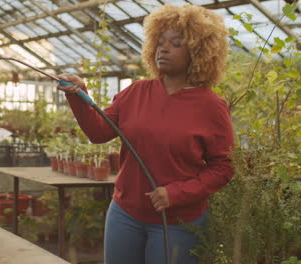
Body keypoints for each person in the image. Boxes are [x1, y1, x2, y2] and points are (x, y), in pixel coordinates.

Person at [57, 4, 234, 264]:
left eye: (175, 44)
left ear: (198, 51)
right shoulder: (136, 92)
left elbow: (223, 167)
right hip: (124, 214)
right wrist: (79, 96)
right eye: (160, 42)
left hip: (178, 222)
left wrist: (176, 194)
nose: (163, 48)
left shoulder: (211, 106)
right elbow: (99, 132)